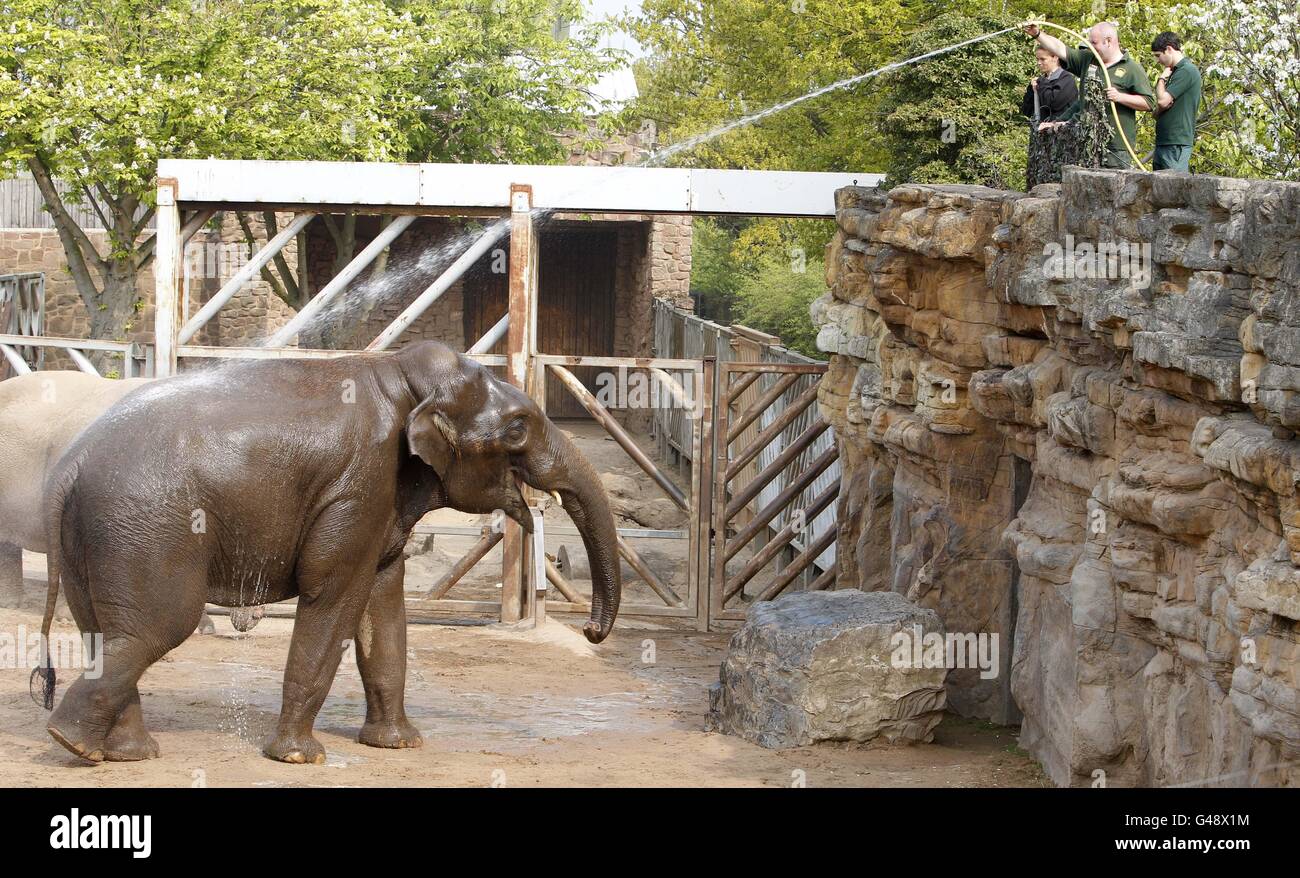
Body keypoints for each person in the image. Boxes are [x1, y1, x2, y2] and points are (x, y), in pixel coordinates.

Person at [1025, 21, 1155, 168]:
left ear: (1108, 41)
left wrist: (1120, 97)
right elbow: (1060, 48)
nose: (1091, 47)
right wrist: (1038, 34)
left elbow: (1149, 103)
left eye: (1094, 43)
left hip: (1115, 147)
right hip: (1086, 142)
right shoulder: (1088, 59)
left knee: (1115, 188)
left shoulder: (1131, 69)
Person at [1150, 32, 1202, 171]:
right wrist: (1160, 109)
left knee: (1173, 189)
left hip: (1176, 143)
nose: (1158, 61)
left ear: (1169, 49)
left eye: (1158, 55)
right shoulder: (1175, 73)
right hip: (1164, 142)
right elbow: (1158, 110)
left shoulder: (1187, 71)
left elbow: (1162, 101)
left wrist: (1161, 80)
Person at [1020, 46, 1079, 134]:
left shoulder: (1067, 79)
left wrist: (1042, 82)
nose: (1039, 63)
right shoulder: (1041, 81)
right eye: (1038, 59)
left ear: (1055, 57)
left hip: (1061, 136)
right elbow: (1027, 111)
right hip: (1041, 135)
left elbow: (1054, 104)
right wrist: (1031, 90)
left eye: (1043, 59)